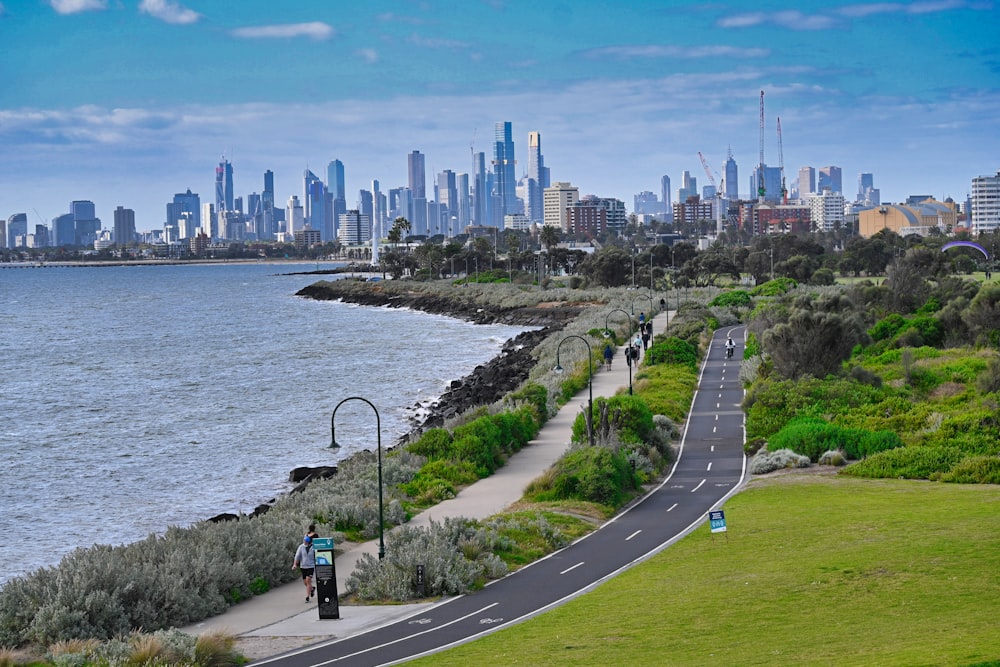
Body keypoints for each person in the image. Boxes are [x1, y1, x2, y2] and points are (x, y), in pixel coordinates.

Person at [293, 535, 317, 602]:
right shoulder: (301, 547)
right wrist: (295, 564)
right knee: (305, 583)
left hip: (311, 566)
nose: (304, 542)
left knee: (308, 580)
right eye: (304, 541)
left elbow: (317, 555)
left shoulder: (313, 547)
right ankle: (312, 589)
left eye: (306, 541)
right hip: (303, 566)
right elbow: (297, 556)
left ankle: (307, 597)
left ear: (309, 542)